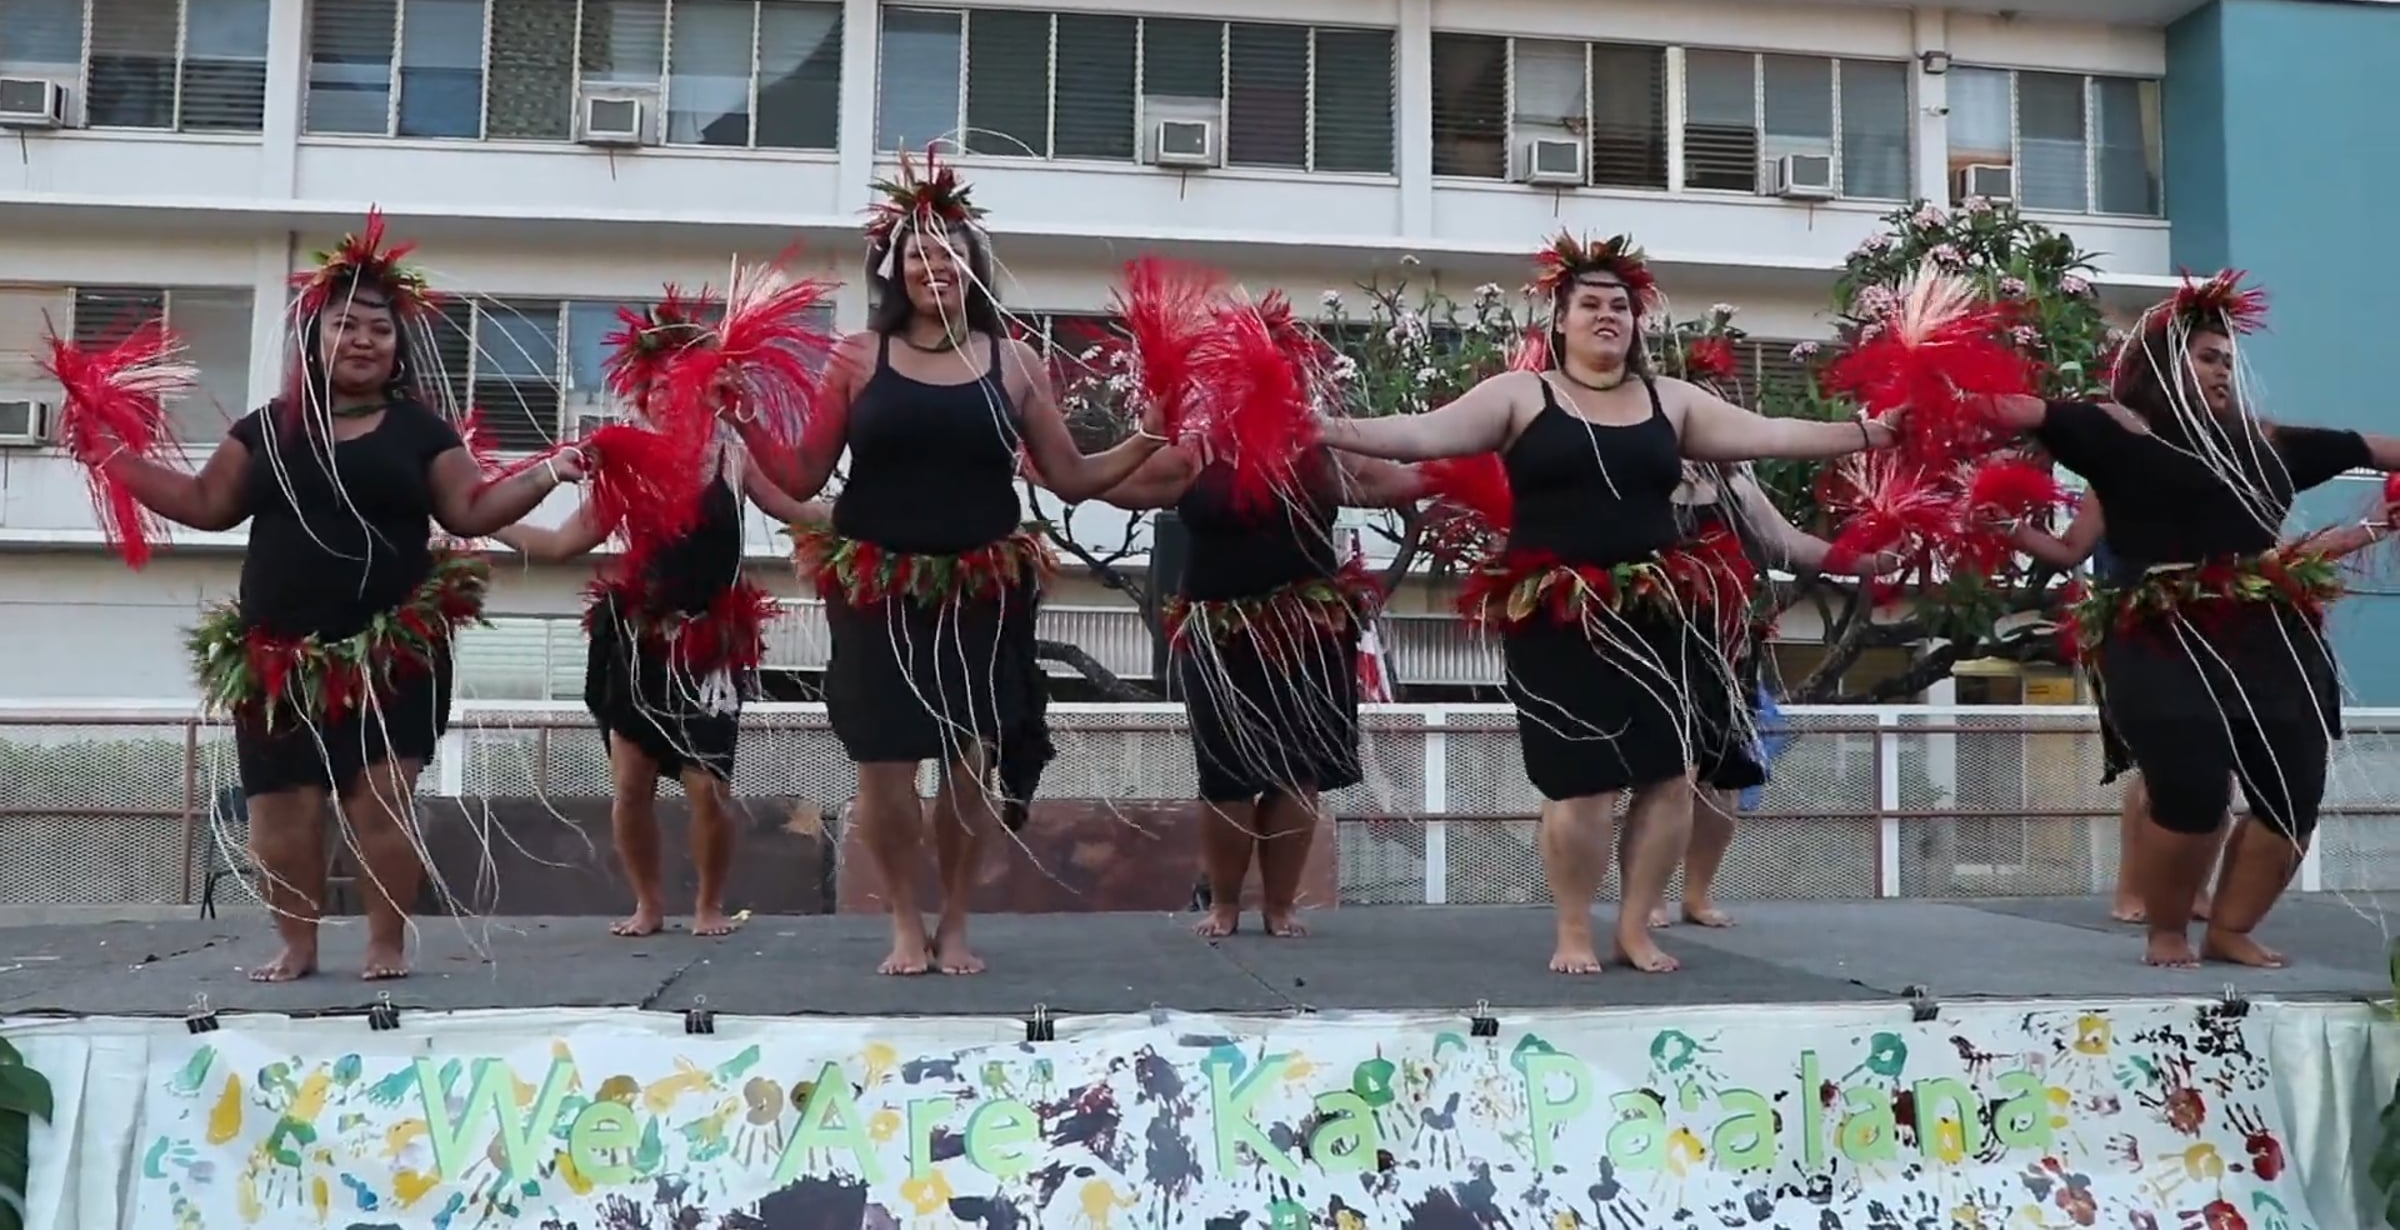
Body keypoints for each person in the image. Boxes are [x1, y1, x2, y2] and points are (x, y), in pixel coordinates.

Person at [1318, 232, 1903, 974]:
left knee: (1670, 774)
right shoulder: (1518, 395)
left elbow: (1776, 433)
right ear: (1559, 320)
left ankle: (1634, 926)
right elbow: (1418, 433)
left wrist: (1867, 432)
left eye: (1620, 306)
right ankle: (1573, 929)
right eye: (1590, 304)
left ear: (1636, 322)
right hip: (1557, 613)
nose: (1606, 316)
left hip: (1658, 613)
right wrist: (1323, 428)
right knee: (1582, 783)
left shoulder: (1672, 401)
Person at [90, 215, 583, 981]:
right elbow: (205, 504)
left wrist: (550, 470)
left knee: (381, 796)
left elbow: (471, 511)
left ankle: (385, 942)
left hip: (391, 651)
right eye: (345, 325)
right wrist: (112, 458)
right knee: (280, 812)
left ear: (399, 347)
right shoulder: (268, 429)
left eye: (379, 329)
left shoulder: (421, 432)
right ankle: (298, 943)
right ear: (314, 340)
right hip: (279, 658)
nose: (363, 340)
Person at [744, 154, 1166, 976]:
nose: (933, 264)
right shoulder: (858, 356)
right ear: (892, 267)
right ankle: (906, 921)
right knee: (886, 769)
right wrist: (746, 422)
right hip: (880, 591)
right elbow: (798, 477)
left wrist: (1147, 436)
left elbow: (1073, 476)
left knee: (969, 764)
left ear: (974, 265)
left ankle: (958, 920)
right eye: (917, 253)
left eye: (949, 252)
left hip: (980, 591)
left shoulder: (1014, 362)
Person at [1981, 272, 2400, 967]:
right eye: (2208, 357)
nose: (2224, 371)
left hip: (2269, 636)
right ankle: (2167, 930)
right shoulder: (2115, 435)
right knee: (2191, 787)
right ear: (2162, 368)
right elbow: (2015, 412)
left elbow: (2374, 447)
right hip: (2160, 633)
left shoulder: (2269, 444)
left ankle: (2231, 929)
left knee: (2293, 793)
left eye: (2229, 361)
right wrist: (1926, 401)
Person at [496, 290, 829, 939]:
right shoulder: (627, 463)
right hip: (636, 640)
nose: (668, 395)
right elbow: (561, 544)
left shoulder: (732, 453)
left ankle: (709, 904)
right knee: (632, 785)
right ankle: (648, 904)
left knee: (709, 787)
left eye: (683, 382)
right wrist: (483, 521)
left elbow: (799, 508)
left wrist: (879, 515)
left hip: (710, 645)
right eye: (656, 385)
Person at [1100, 327, 1424, 938]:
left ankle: (1280, 906)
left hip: (1308, 634)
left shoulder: (1318, 453)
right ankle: (1225, 902)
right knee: (1225, 774)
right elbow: (1110, 483)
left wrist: (1482, 464)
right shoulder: (1195, 455)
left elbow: (1399, 481)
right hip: (1221, 637)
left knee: (1297, 772)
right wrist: (1051, 462)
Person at [1652, 456, 1891, 929]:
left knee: (1724, 782)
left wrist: (1866, 563)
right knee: (1668, 779)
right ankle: (1649, 895)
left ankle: (1697, 895)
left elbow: (1791, 543)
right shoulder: (1639, 471)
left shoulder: (1734, 483)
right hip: (1656, 642)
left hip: (1728, 646)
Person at [2003, 491, 2217, 923]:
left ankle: (2193, 887)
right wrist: (2010, 527)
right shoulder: (2115, 478)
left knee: (2215, 764)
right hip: (2135, 629)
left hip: (2208, 624)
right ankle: (2132, 891)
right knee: (2160, 766)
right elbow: (2071, 549)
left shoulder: (2212, 474)